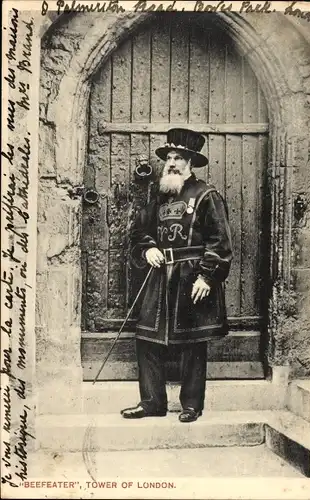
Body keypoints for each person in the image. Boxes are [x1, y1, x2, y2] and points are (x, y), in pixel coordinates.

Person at [121, 128, 233, 423]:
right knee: (147, 337)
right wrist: (147, 250)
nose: (171, 162)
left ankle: (192, 405)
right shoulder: (159, 198)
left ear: (190, 163)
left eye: (178, 157)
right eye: (168, 157)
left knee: (193, 342)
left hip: (191, 276)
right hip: (159, 277)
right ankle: (152, 402)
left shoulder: (207, 195)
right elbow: (139, 233)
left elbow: (219, 241)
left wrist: (206, 277)